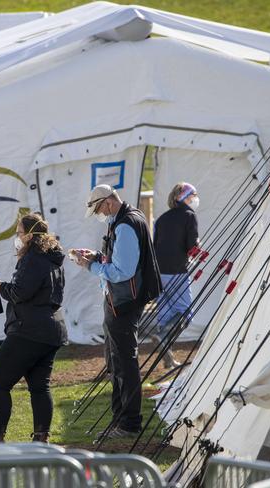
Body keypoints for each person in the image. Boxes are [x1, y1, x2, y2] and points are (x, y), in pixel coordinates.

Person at [73, 184, 161, 440]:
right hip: (119, 300)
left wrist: (90, 266)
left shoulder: (124, 225)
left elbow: (123, 271)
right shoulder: (128, 218)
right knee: (117, 362)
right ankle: (121, 420)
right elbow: (120, 261)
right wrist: (99, 257)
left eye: (99, 209)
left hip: (122, 302)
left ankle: (129, 423)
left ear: (109, 202)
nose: (100, 214)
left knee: (124, 363)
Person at [0, 213, 68, 443]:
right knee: (39, 386)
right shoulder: (53, 259)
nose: (17, 238)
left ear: (30, 235)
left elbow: (20, 292)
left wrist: (1, 287)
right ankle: (41, 438)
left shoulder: (33, 258)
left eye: (19, 233)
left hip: (29, 329)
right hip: (52, 329)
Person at [152, 182, 199, 367]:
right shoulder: (189, 215)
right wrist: (198, 247)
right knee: (185, 313)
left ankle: (168, 359)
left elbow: (155, 245)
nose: (195, 199)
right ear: (185, 197)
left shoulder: (162, 219)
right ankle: (163, 336)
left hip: (159, 272)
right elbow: (192, 247)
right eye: (193, 195)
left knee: (166, 314)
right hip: (177, 271)